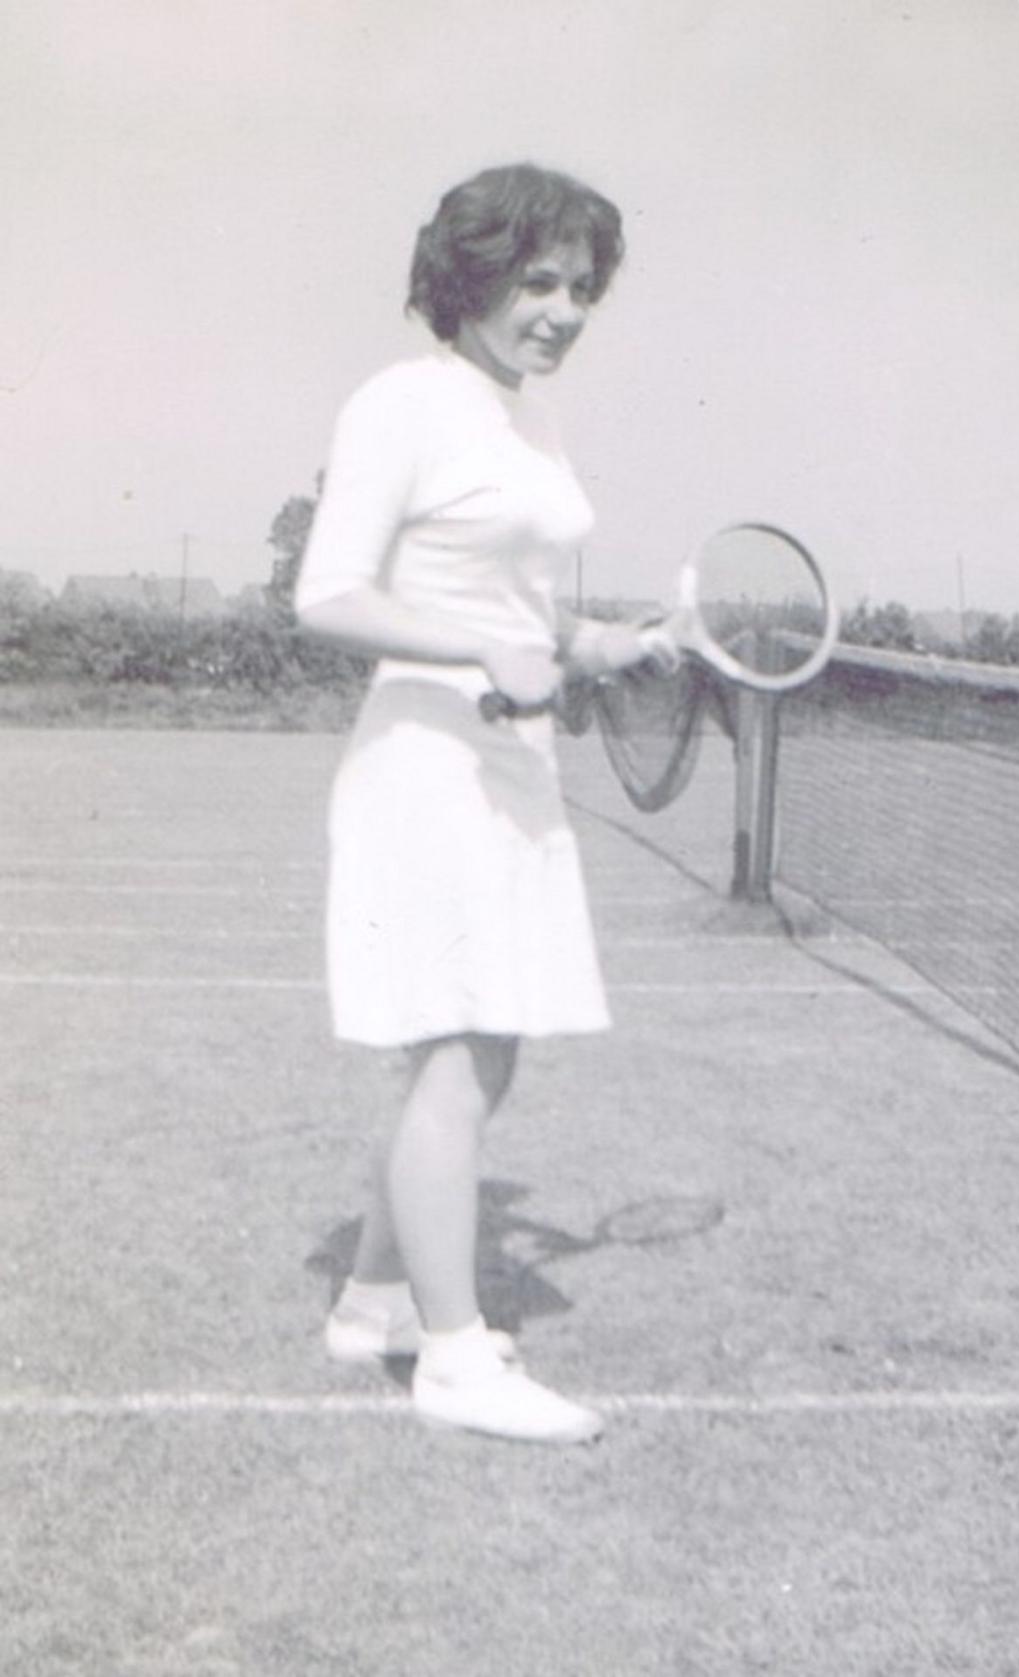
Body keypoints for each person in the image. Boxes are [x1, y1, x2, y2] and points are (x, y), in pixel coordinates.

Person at [294, 163, 675, 1444]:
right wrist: (474, 655)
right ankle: (453, 1364)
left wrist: (589, 640)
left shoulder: (524, 415)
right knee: (459, 1049)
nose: (563, 310)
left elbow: (510, 612)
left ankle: (371, 1307)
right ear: (467, 279)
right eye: (536, 281)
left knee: (475, 1050)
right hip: (425, 770)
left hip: (509, 769)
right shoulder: (406, 401)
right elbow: (328, 593)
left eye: (580, 287)